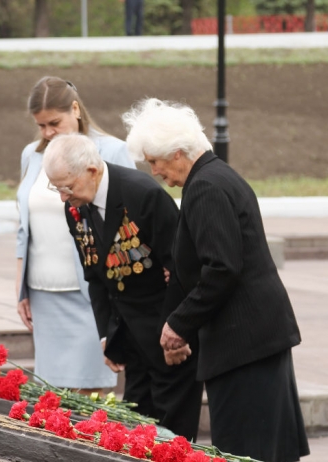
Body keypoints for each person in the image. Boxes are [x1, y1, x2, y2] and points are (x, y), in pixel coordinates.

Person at [123, 98, 309, 461]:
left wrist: (178, 324)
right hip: (255, 340)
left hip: (245, 345)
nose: (154, 171)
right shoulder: (215, 175)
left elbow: (222, 268)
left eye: (154, 161)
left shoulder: (205, 186)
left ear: (177, 153)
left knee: (248, 450)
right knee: (265, 448)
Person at [42, 133, 203, 440]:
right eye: (56, 187)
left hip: (169, 337)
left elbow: (182, 269)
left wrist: (177, 333)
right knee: (136, 434)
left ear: (91, 171)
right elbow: (94, 277)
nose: (63, 196)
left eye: (66, 186)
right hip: (130, 338)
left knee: (174, 438)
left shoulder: (142, 195)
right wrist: (106, 334)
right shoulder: (76, 207)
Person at [16, 77, 133, 395]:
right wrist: (21, 286)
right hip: (44, 294)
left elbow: (128, 220)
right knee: (51, 395)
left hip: (89, 295)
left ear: (76, 109)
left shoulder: (111, 150)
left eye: (54, 122)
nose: (47, 133)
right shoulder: (32, 155)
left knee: (89, 394)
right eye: (41, 126)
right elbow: (24, 226)